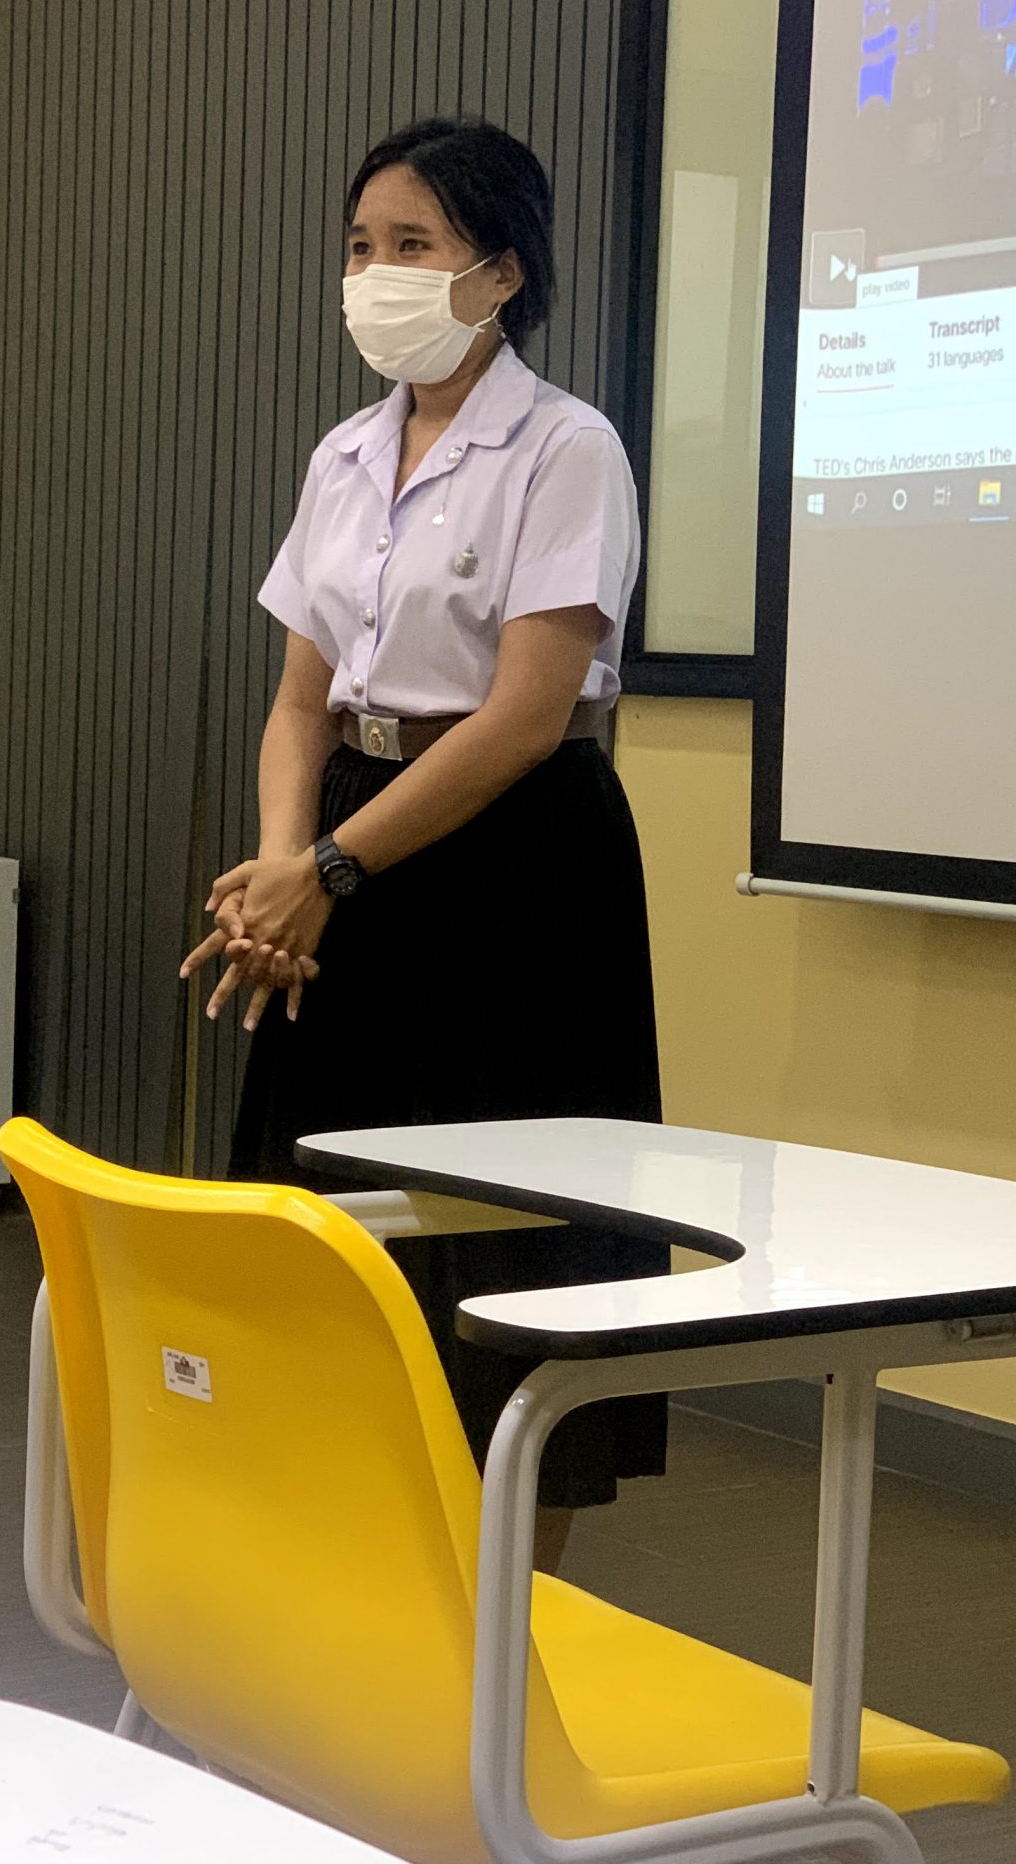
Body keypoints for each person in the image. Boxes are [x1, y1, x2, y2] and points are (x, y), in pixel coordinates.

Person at [182, 115, 665, 1574]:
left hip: (517, 862)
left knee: (510, 1237)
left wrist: (328, 869)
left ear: (500, 273)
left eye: (412, 245)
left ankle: (504, 1613)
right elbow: (299, 700)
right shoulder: (344, 453)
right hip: (350, 849)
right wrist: (283, 871)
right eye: (359, 245)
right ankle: (346, 1575)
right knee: (329, 1210)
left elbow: (524, 717)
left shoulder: (568, 447)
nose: (373, 273)